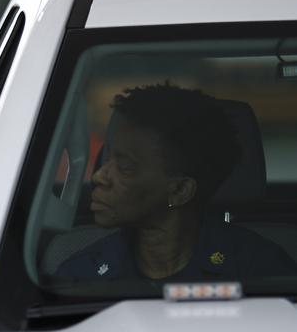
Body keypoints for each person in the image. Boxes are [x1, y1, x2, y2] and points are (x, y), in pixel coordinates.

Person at [56, 82, 297, 281]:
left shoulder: (261, 273)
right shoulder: (80, 276)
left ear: (180, 190)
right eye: (107, 158)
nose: (99, 176)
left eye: (125, 167)